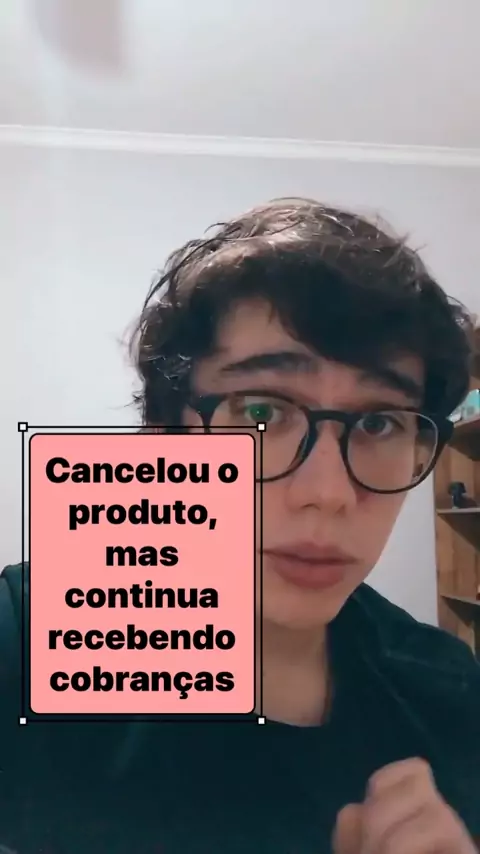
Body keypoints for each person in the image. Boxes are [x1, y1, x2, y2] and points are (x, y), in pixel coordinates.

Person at [1, 198, 479, 854]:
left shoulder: (448, 690)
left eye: (379, 423)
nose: (328, 494)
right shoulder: (20, 644)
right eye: (260, 412)